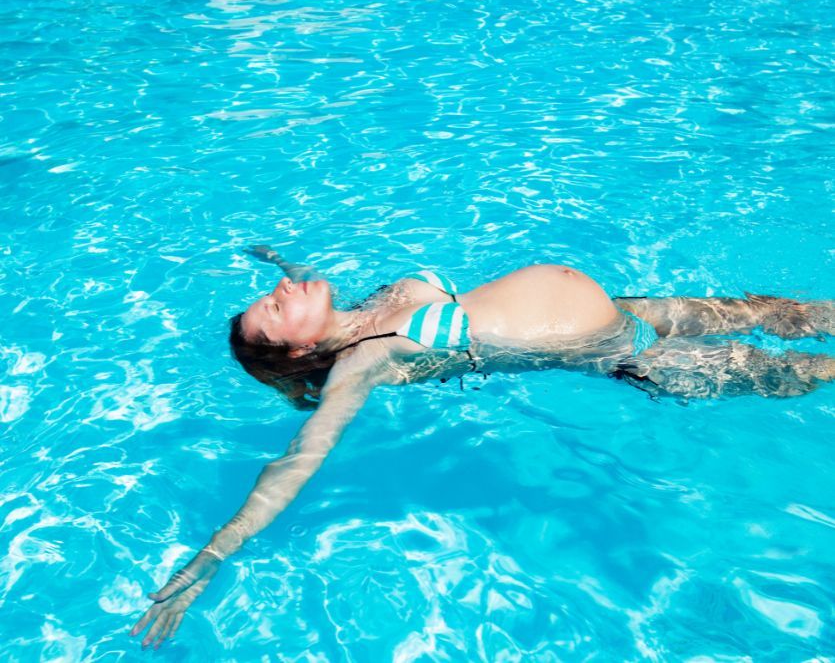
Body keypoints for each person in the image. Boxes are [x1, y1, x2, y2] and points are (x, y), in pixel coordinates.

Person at [130, 246, 835, 648]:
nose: (283, 287)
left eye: (273, 288)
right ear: (304, 346)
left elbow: (299, 283)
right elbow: (298, 461)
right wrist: (207, 562)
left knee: (795, 313)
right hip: (620, 356)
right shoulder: (363, 361)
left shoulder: (370, 305)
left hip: (629, 309)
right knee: (804, 371)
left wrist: (274, 257)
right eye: (276, 306)